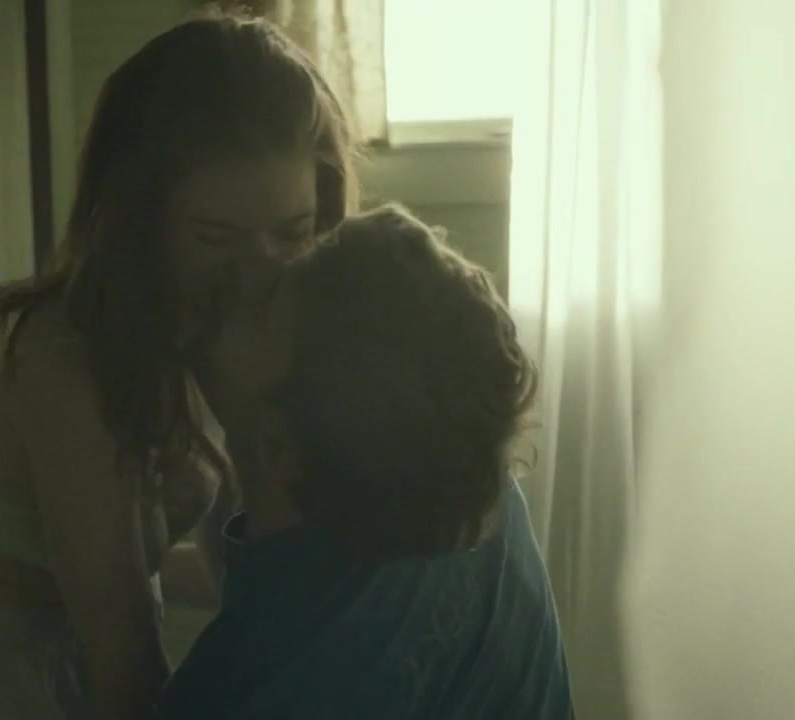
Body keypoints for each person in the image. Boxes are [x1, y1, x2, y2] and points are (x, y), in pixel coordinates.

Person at [0, 15, 357, 720]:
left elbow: (250, 567)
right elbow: (127, 666)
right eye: (216, 237)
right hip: (2, 694)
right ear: (140, 218)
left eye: (293, 233)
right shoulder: (64, 365)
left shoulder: (210, 323)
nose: (259, 277)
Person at [160, 205, 575, 719]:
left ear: (280, 449)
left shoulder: (244, 693)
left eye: (263, 305)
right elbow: (280, 579)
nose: (256, 264)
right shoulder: (464, 490)